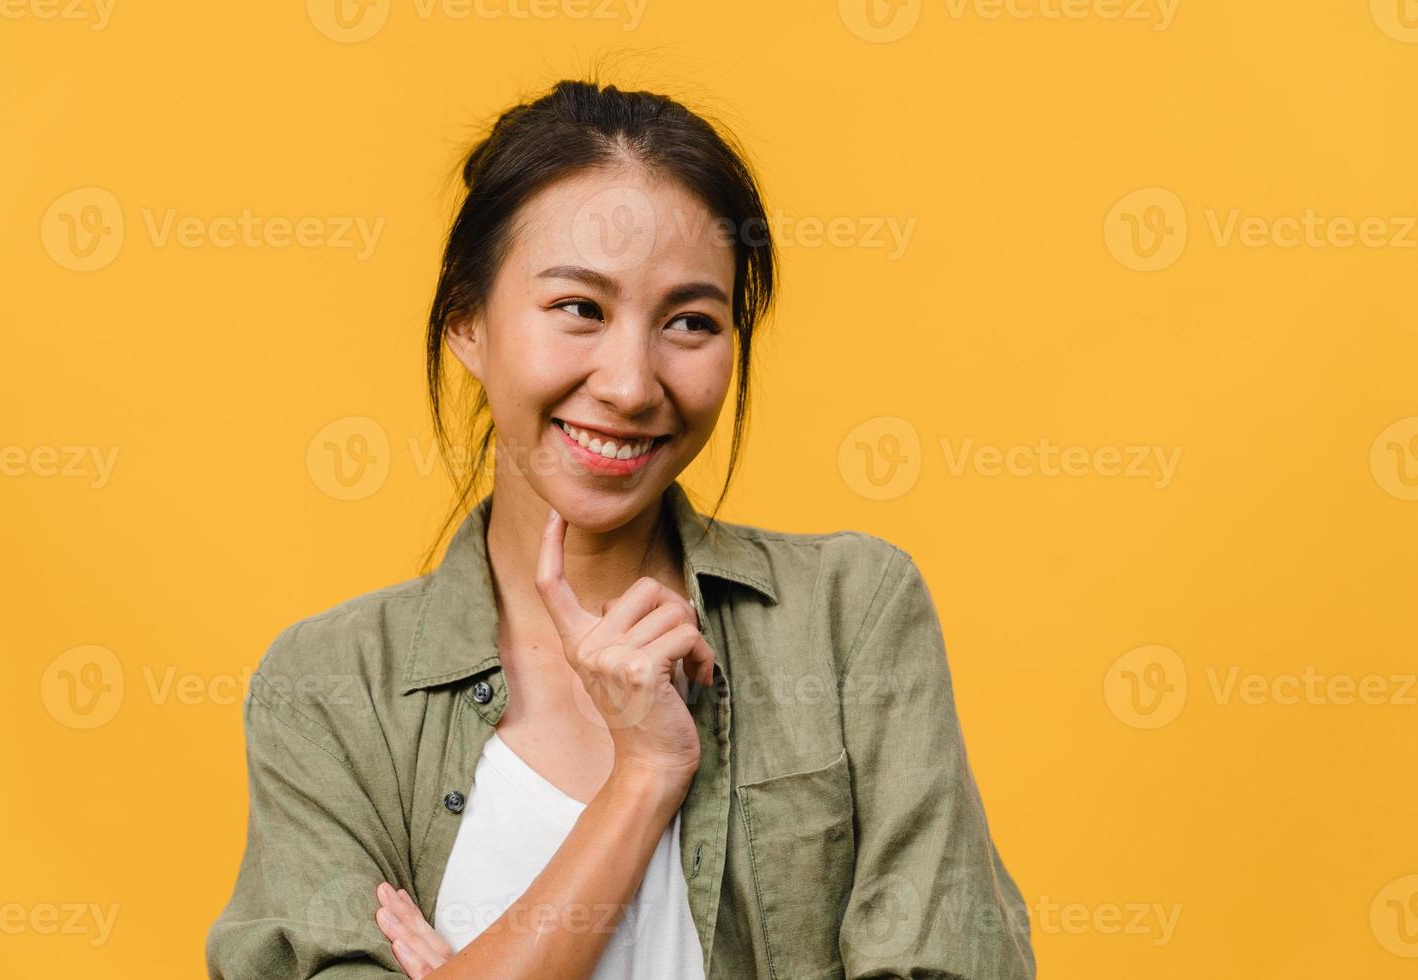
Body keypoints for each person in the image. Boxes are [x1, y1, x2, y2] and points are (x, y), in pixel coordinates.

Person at [205, 78, 1034, 980]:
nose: (632, 384)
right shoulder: (331, 688)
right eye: (579, 309)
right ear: (466, 323)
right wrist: (643, 775)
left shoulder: (850, 617)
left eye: (689, 321)